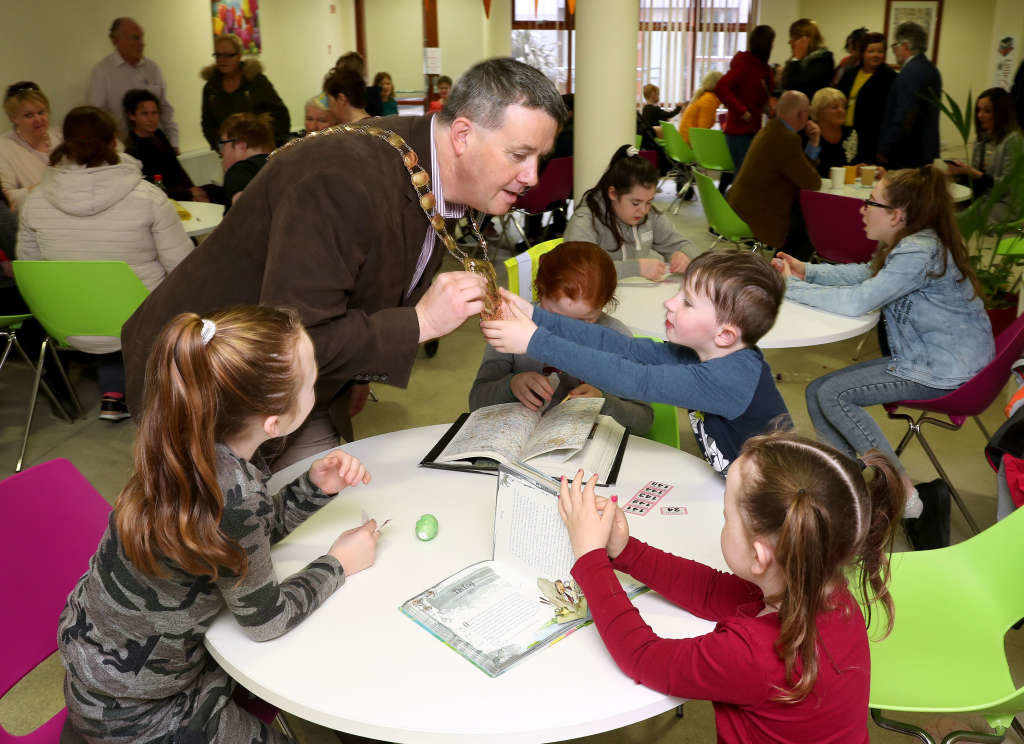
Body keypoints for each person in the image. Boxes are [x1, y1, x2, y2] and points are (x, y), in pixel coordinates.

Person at [121, 57, 567, 470]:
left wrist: (358, 374)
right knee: (238, 534)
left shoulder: (422, 162)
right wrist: (420, 323)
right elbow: (294, 338)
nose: (532, 177)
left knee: (324, 506)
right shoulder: (341, 180)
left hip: (299, 379)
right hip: (203, 386)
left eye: (539, 159)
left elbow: (364, 278)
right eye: (519, 155)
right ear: (463, 135)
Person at [58, 306, 378, 743]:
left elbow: (238, 538)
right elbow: (266, 622)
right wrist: (338, 563)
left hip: (100, 671)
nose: (315, 386)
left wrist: (313, 488)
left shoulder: (181, 441)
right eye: (310, 382)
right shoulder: (232, 492)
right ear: (275, 422)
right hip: (139, 712)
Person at [557, 430, 906, 742]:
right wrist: (625, 550)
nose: (722, 523)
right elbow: (711, 592)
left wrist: (590, 559)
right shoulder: (821, 587)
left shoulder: (753, 655)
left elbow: (644, 659)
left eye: (726, 518)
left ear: (759, 556)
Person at [773, 166, 995, 511]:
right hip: (942, 359)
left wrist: (792, 287)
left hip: (943, 369)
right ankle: (841, 484)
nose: (862, 209)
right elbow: (867, 274)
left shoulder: (917, 251)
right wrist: (808, 270)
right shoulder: (914, 241)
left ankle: (900, 491)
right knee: (817, 391)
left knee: (834, 393)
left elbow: (859, 299)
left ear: (897, 215)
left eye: (871, 202)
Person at [481, 250, 790, 476]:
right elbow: (621, 347)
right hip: (742, 485)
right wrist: (536, 317)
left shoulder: (729, 377)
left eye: (687, 302)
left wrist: (535, 341)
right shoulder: (702, 352)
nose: (669, 303)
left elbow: (631, 378)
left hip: (773, 499)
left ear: (724, 334)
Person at [17, 106, 193, 421]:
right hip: (140, 326)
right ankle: (167, 394)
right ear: (114, 141)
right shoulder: (148, 198)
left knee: (101, 296)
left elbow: (31, 269)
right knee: (166, 296)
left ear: (64, 143)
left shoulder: (35, 202)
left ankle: (114, 391)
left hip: (68, 323)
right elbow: (183, 269)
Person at [470, 241, 654, 435]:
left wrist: (604, 403)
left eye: (583, 320)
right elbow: (476, 402)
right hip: (516, 440)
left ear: (605, 303)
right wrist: (511, 385)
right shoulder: (510, 327)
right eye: (554, 316)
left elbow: (644, 421)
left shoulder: (617, 339)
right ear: (540, 292)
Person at [563, 145, 696, 280]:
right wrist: (635, 269)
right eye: (635, 203)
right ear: (613, 193)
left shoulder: (650, 215)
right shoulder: (585, 220)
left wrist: (684, 254)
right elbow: (578, 270)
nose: (644, 210)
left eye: (649, 201)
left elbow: (685, 245)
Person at [727, 90, 822, 259]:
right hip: (756, 214)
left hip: (740, 206)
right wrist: (815, 143)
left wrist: (812, 145)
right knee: (810, 228)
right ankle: (785, 274)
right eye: (808, 112)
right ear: (801, 114)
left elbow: (799, 170)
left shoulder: (770, 129)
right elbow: (812, 182)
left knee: (800, 220)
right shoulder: (786, 138)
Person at [87, 18, 179, 148]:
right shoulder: (102, 71)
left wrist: (173, 142)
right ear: (116, 40)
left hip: (157, 145)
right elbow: (96, 117)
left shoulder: (152, 69)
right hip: (123, 150)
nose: (142, 44)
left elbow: (164, 108)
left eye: (142, 38)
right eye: (135, 38)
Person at [949, 87, 1024, 235]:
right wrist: (959, 172)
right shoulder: (982, 140)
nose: (980, 115)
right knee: (948, 211)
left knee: (957, 220)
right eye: (978, 110)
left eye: (987, 111)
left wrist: (972, 172)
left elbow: (1006, 187)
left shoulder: (1014, 141)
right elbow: (979, 179)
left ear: (1001, 113)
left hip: (1006, 204)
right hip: (986, 198)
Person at [201, 33, 289, 150]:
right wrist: (221, 147)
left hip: (261, 152)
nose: (221, 60)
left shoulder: (256, 81)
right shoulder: (211, 88)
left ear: (239, 56)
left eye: (228, 55)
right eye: (218, 55)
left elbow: (281, 115)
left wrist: (267, 145)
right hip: (230, 153)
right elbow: (208, 124)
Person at [715, 25, 776, 193]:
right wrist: (742, 111)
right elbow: (721, 87)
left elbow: (761, 98)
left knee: (746, 178)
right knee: (743, 180)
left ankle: (734, 212)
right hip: (739, 132)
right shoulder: (745, 64)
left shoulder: (765, 69)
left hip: (753, 131)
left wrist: (766, 108)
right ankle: (733, 215)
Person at [123, 89, 210, 203]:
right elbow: (152, 190)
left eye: (154, 113)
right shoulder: (132, 150)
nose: (151, 119)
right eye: (144, 114)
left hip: (182, 193)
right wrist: (189, 194)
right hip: (164, 201)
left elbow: (176, 168)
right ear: (132, 116)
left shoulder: (159, 135)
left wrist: (193, 189)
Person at [877, 22, 941, 169]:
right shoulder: (932, 70)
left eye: (895, 45)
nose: (893, 51)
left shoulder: (909, 72)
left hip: (906, 154)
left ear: (905, 46)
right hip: (926, 152)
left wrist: (886, 147)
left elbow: (905, 114)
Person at [0, 82, 63, 211]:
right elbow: (7, 199)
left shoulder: (61, 136)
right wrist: (49, 186)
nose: (38, 120)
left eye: (41, 112)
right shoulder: (4, 148)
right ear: (13, 118)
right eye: (28, 115)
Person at [836, 32, 896, 166]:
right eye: (871, 51)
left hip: (871, 138)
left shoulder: (889, 77)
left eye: (880, 51)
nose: (876, 55)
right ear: (863, 53)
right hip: (845, 133)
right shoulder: (850, 73)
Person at [219, 112, 274, 208]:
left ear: (241, 147)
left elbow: (248, 213)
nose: (221, 152)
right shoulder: (282, 163)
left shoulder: (240, 170)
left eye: (223, 144)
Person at [781, 19, 835, 101]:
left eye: (794, 38)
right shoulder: (797, 60)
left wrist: (796, 58)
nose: (790, 42)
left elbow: (795, 85)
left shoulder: (823, 59)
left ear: (806, 39)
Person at [809, 87, 854, 177]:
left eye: (843, 107)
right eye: (835, 107)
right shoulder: (810, 133)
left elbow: (861, 162)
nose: (841, 111)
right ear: (819, 111)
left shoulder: (851, 133)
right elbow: (809, 167)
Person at [679, 71, 723, 144]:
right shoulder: (709, 100)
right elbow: (703, 132)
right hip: (691, 145)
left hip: (685, 143)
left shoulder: (703, 96)